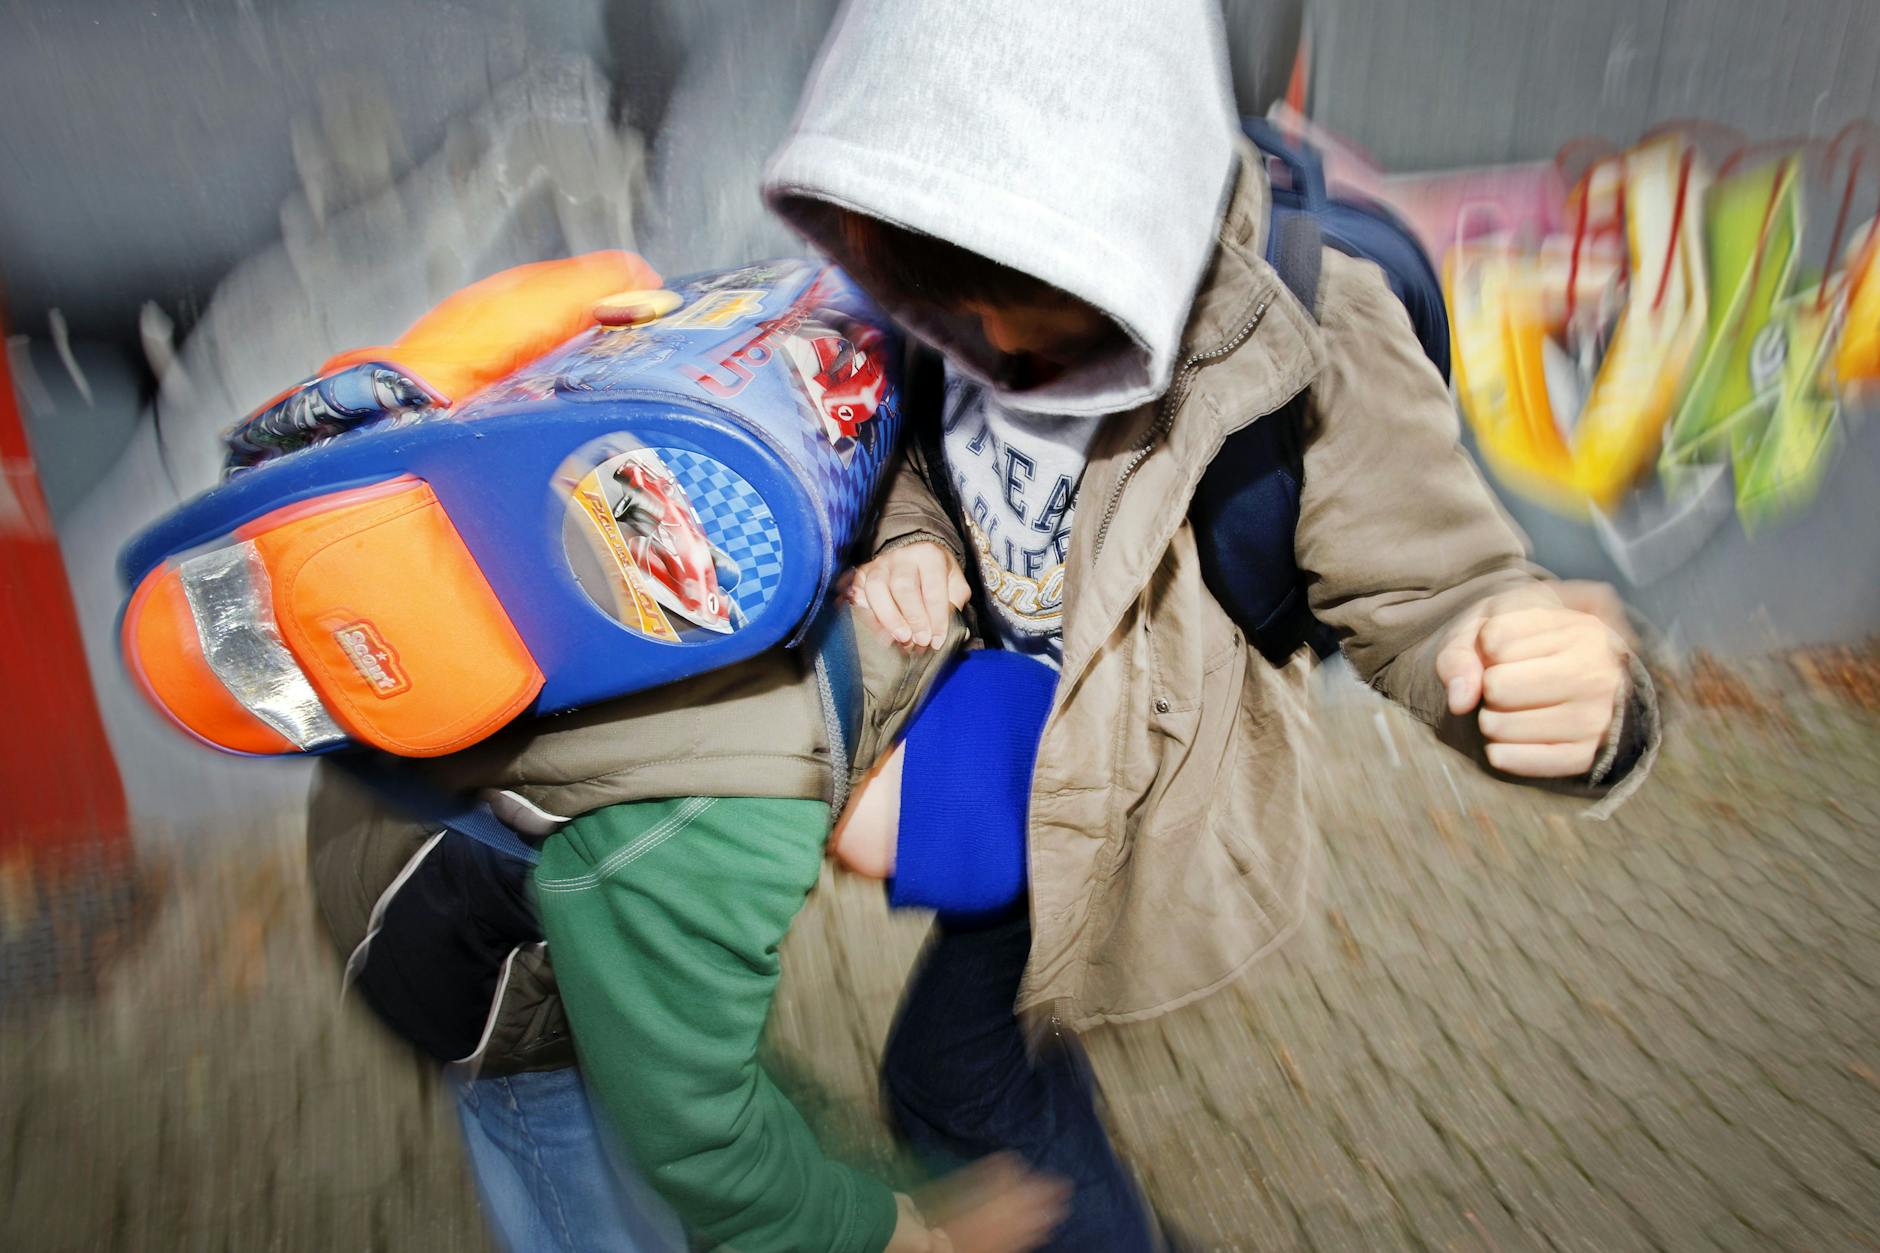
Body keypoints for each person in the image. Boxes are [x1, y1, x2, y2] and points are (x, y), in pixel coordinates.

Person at [759, 1, 1660, 1247]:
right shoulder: (936, 267)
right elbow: (919, 449)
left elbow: (1433, 590)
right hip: (981, 724)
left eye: (1046, 308)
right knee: (990, 1036)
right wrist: (909, 546)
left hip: (1120, 780)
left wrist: (1563, 685)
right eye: (961, 311)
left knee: (945, 1071)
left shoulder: (1310, 321)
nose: (1003, 347)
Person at [311, 600, 1071, 1253]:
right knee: (593, 1193)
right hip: (438, 923)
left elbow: (695, 1023)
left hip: (426, 764)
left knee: (673, 1035)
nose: (868, 884)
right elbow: (703, 1140)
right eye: (902, 869)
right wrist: (900, 1233)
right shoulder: (739, 828)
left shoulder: (860, 639)